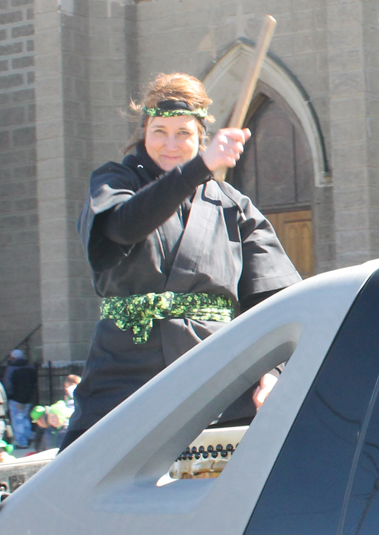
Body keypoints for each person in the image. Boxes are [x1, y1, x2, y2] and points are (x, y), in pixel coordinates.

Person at [63, 72, 301, 449]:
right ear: (144, 130)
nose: (170, 144)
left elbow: (279, 303)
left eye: (184, 133)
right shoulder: (115, 181)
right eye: (160, 131)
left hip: (219, 376)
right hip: (125, 373)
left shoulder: (234, 206)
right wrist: (198, 168)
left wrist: (276, 371)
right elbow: (123, 227)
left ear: (200, 136)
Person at [3, 349, 37, 448]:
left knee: (18, 421)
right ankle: (29, 436)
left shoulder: (11, 368)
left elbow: (8, 384)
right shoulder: (30, 367)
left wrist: (10, 395)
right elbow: (35, 383)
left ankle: (22, 442)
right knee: (26, 418)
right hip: (28, 398)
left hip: (16, 398)